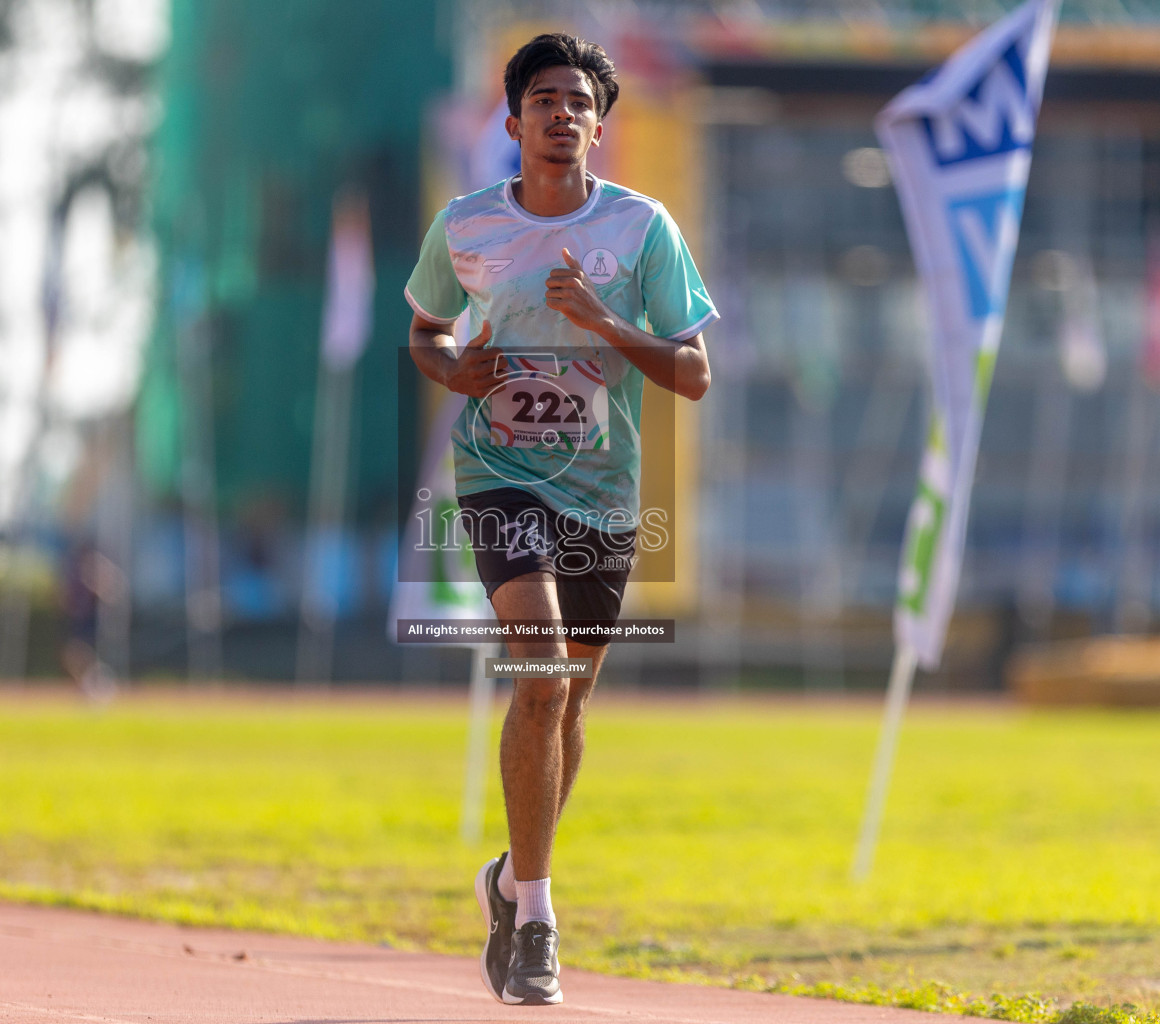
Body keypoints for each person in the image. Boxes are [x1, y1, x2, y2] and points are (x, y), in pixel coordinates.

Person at [404, 32, 717, 1006]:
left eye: (580, 101)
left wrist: (601, 321)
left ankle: (505, 879)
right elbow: (426, 330)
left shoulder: (642, 230)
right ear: (514, 120)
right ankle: (537, 920)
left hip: (605, 492)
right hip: (497, 473)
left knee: (566, 702)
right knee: (537, 665)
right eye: (545, 98)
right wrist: (455, 368)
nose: (563, 113)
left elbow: (693, 372)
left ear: (599, 122)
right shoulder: (466, 227)